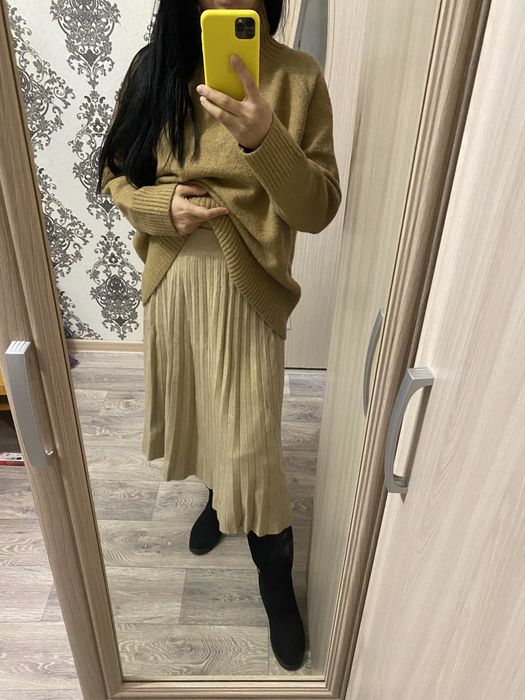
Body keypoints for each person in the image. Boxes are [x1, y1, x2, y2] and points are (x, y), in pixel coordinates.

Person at [96, 0, 341, 671]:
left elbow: (318, 208)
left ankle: (274, 582)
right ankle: (215, 496)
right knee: (201, 412)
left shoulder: (296, 76)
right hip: (172, 279)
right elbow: (114, 173)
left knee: (252, 446)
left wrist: (265, 139)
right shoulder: (154, 68)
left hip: (249, 286)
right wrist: (159, 206)